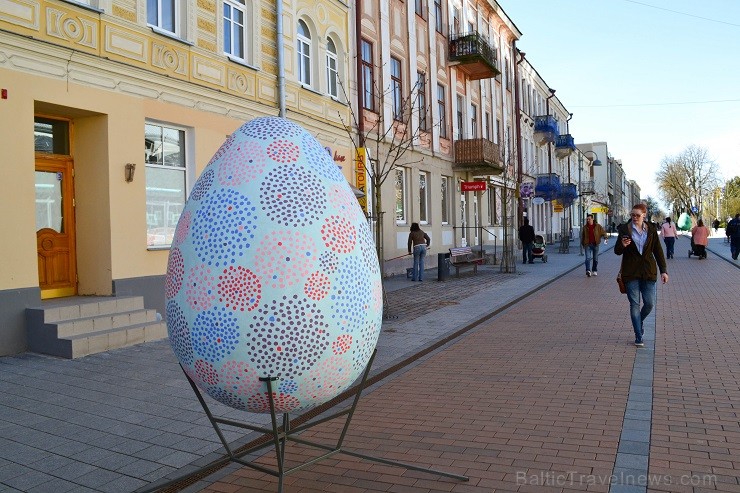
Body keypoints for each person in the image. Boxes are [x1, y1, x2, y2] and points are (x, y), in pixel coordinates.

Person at [614, 203, 669, 347]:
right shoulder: (625, 230)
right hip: (630, 271)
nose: (634, 217)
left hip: (648, 271)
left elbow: (658, 251)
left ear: (644, 215)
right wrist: (623, 245)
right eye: (632, 215)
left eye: (637, 215)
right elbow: (617, 251)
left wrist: (664, 270)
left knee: (650, 303)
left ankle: (639, 321)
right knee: (634, 304)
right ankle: (638, 336)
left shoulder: (651, 229)